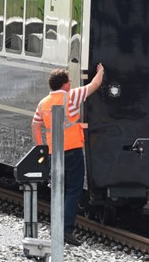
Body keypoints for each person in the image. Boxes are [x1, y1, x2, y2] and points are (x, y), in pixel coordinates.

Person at [31, 63, 104, 247]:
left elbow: (35, 125)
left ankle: (57, 227)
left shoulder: (43, 103)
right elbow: (94, 85)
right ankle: (66, 230)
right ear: (63, 84)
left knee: (58, 190)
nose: (71, 84)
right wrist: (101, 71)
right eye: (69, 81)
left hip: (53, 153)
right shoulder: (71, 97)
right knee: (73, 191)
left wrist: (41, 148)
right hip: (72, 151)